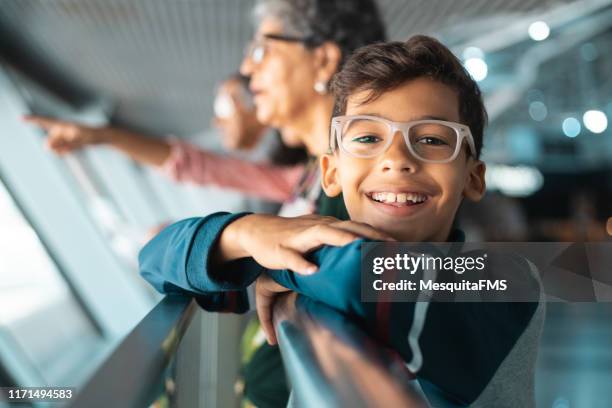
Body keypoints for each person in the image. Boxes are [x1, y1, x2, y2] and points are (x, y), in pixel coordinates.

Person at [139, 36, 544, 407]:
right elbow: (155, 261)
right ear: (331, 172)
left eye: (433, 139)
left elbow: (364, 278)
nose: (397, 159)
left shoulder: (509, 283)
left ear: (473, 178)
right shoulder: (318, 263)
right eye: (367, 138)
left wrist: (274, 262)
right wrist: (247, 232)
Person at [23, 73, 307, 205]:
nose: (216, 121)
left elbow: (195, 165)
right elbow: (194, 166)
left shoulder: (308, 168)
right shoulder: (292, 178)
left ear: (258, 99)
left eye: (224, 106)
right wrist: (102, 136)